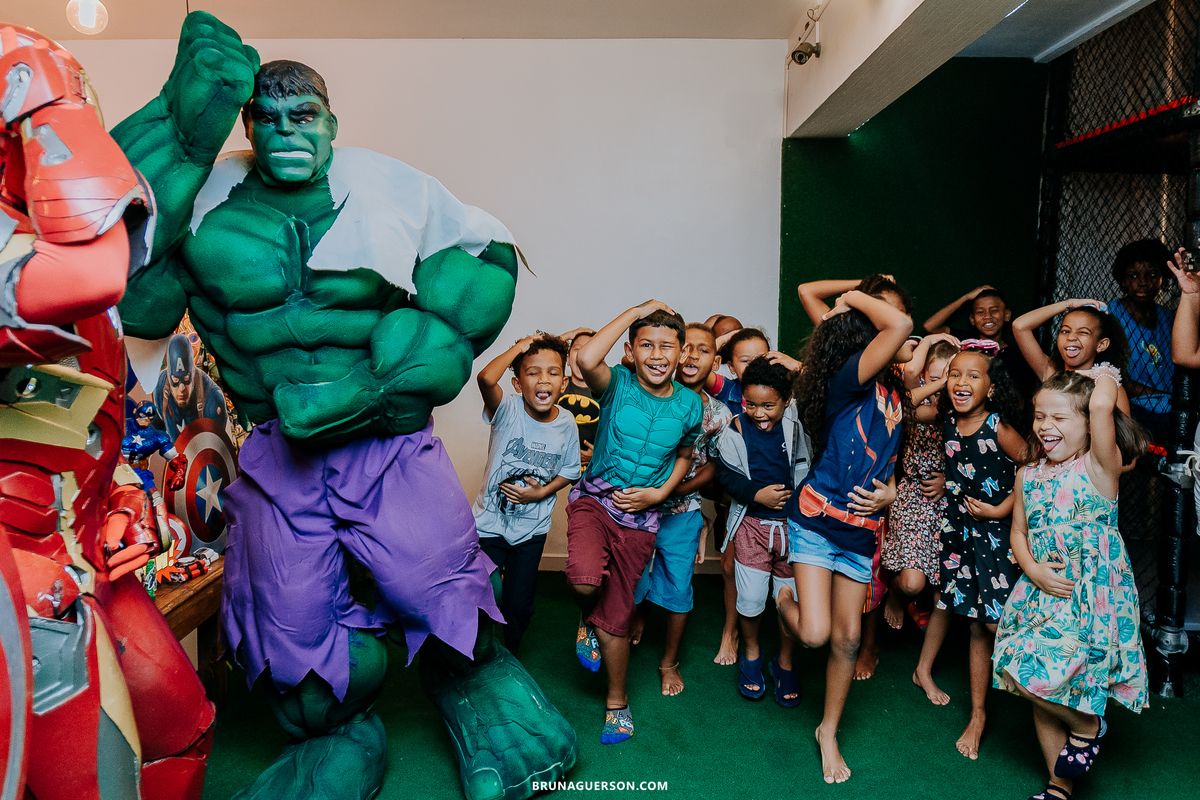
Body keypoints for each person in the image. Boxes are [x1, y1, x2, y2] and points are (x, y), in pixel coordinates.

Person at [113, 14, 577, 797]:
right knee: (297, 671)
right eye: (269, 116)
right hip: (275, 455)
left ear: (333, 125)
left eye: (306, 116)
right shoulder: (201, 203)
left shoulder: (395, 192)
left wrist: (375, 389)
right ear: (248, 125)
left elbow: (483, 276)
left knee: (450, 598)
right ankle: (341, 736)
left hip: (388, 443)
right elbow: (139, 303)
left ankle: (473, 691)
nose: (287, 129)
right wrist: (176, 146)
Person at [773, 289, 912, 784]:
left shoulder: (894, 388)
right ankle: (783, 600)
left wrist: (892, 491)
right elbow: (900, 325)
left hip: (860, 531)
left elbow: (889, 454)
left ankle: (827, 730)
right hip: (816, 520)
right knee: (815, 634)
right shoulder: (846, 379)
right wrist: (853, 296)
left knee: (849, 639)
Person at [993, 369, 1150, 800]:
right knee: (1024, 672)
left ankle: (1087, 727)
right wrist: (1032, 568)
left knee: (1052, 681)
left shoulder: (1101, 466)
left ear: (1089, 424)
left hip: (1091, 595)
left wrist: (1102, 374)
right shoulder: (1029, 473)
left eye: (1060, 418)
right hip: (1042, 589)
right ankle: (1059, 785)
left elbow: (1102, 402)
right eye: (1040, 416)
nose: (1045, 427)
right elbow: (1018, 533)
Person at [566, 301, 702, 744]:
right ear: (630, 350)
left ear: (682, 354)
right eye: (646, 344)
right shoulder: (616, 382)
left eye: (667, 346)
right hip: (596, 502)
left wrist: (661, 493)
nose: (657, 354)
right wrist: (640, 308)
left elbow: (684, 453)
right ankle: (586, 617)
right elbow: (586, 358)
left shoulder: (690, 404)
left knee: (617, 619)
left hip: (641, 519)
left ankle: (617, 703)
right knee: (586, 582)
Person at [919, 344, 1026, 759]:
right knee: (977, 625)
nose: (962, 382)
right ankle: (979, 715)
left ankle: (1043, 692)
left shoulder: (998, 426)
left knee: (999, 624)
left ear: (992, 388)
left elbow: (1033, 468)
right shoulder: (945, 421)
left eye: (973, 375)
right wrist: (949, 484)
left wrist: (1001, 507)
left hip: (999, 536)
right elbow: (907, 411)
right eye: (955, 375)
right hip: (961, 533)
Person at [630, 323, 732, 696]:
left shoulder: (719, 414)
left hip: (684, 510)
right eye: (684, 348)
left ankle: (669, 661)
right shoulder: (649, 394)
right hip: (639, 507)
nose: (690, 357)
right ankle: (638, 616)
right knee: (633, 574)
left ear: (716, 361)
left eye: (702, 350)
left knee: (678, 587)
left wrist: (672, 491)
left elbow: (713, 466)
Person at [473, 334, 582, 654]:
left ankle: (512, 650)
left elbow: (570, 470)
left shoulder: (567, 424)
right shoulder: (506, 409)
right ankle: (476, 647)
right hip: (488, 526)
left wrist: (541, 493)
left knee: (518, 604)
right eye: (532, 372)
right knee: (479, 592)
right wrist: (520, 348)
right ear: (518, 382)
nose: (543, 379)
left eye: (552, 372)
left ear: (563, 382)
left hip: (531, 530)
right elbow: (485, 378)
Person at [714, 356, 810, 707]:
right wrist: (756, 494)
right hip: (751, 528)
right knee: (752, 598)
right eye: (750, 404)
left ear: (786, 401)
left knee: (791, 599)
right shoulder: (733, 430)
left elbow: (807, 471)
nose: (759, 413)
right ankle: (751, 653)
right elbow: (725, 475)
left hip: (793, 531)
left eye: (769, 405)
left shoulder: (797, 428)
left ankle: (784, 662)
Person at [881, 336, 958, 645]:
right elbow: (908, 403)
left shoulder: (967, 409)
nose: (948, 385)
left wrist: (948, 483)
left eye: (953, 376)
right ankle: (899, 597)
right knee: (912, 582)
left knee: (942, 579)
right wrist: (928, 340)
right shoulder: (921, 405)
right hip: (913, 496)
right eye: (938, 377)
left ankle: (923, 607)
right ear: (926, 377)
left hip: (950, 500)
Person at [1011, 299, 1132, 416]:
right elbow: (1020, 326)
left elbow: (1124, 435)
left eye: (1083, 332)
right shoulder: (1052, 373)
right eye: (1065, 331)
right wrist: (1069, 303)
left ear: (1101, 345)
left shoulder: (1110, 387)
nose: (1071, 337)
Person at [1107, 239, 1176, 442]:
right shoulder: (1110, 315)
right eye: (1134, 276)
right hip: (1131, 404)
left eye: (1152, 275)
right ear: (1123, 281)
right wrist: (1161, 395)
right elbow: (1113, 376)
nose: (1143, 282)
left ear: (1163, 278)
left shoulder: (1168, 317)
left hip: (1168, 404)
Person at [924, 286, 1039, 401]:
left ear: (1007, 315)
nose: (988, 316)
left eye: (994, 310)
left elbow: (1019, 398)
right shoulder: (965, 342)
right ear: (972, 319)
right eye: (980, 312)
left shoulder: (1015, 354)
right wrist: (966, 297)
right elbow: (930, 326)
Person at [153, 332, 229, 436]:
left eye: (186, 378)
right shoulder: (160, 386)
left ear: (192, 375)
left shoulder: (213, 398)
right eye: (175, 379)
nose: (181, 388)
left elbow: (215, 447)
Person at [558, 327, 599, 470]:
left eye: (590, 350)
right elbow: (539, 353)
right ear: (567, 358)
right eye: (578, 349)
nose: (583, 355)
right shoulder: (557, 386)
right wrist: (567, 335)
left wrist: (598, 455)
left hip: (590, 467)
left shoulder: (605, 392)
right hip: (555, 460)